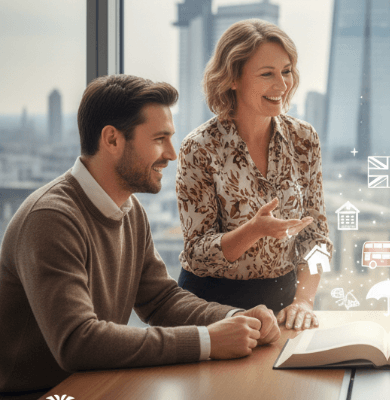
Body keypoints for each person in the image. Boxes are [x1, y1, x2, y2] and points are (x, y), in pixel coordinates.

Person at [0, 74, 281, 398]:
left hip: (92, 386)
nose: (172, 154)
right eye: (160, 138)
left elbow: (161, 300)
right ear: (112, 140)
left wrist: (236, 319)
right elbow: (77, 342)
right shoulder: (50, 220)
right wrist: (207, 341)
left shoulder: (129, 210)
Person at [176, 19, 331, 332]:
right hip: (212, 308)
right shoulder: (199, 147)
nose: (282, 84)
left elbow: (316, 236)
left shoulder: (304, 139)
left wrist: (304, 301)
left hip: (285, 305)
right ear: (233, 78)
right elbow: (197, 254)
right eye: (267, 74)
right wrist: (254, 230)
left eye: (286, 71)